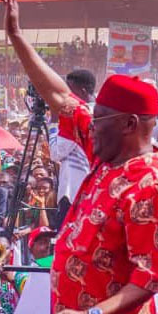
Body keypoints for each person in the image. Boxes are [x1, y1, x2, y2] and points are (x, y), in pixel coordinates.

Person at [2, 0, 158, 314]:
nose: (89, 124)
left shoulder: (152, 186)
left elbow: (150, 278)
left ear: (129, 124)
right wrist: (17, 37)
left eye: (99, 119)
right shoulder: (107, 159)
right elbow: (59, 96)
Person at [48, 69, 96, 230]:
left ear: (82, 91)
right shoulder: (101, 111)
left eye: (70, 91)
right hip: (94, 191)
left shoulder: (76, 115)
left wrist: (54, 123)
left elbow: (55, 153)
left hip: (74, 192)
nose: (65, 97)